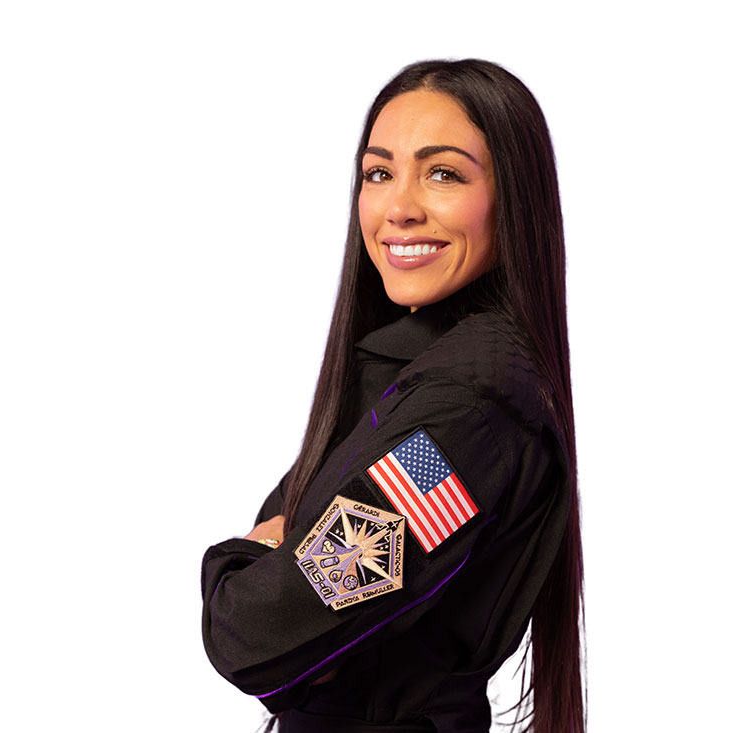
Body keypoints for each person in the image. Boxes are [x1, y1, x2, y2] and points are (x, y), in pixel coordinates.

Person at [201, 59, 584, 733]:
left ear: (513, 198)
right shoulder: (411, 364)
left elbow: (259, 631)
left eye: (444, 174)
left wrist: (242, 566)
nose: (399, 207)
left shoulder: (462, 421)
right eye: (379, 173)